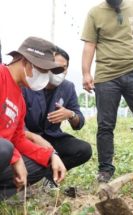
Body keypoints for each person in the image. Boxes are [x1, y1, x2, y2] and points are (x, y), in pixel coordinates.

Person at [81, 0, 133, 183]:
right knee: (106, 125)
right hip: (106, 76)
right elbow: (89, 45)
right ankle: (105, 169)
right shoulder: (95, 12)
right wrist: (86, 73)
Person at [0, 36, 66, 200]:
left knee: (42, 163)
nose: (44, 77)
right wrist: (15, 159)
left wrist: (51, 155)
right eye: (42, 70)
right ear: (25, 61)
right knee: (4, 149)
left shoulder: (20, 100)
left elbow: (18, 138)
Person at [22, 46, 92, 188]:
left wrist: (70, 114)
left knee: (84, 150)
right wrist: (33, 139)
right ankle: (28, 176)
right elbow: (18, 124)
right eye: (55, 66)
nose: (60, 71)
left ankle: (49, 176)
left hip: (53, 136)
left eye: (64, 68)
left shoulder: (68, 87)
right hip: (29, 137)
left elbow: (79, 121)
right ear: (46, 66)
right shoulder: (28, 85)